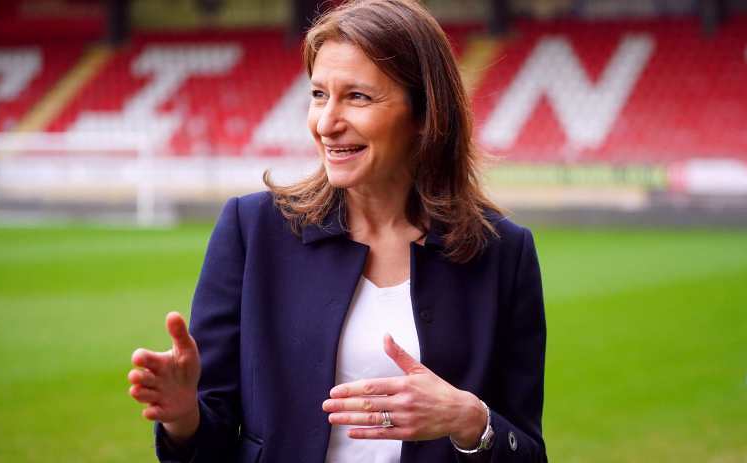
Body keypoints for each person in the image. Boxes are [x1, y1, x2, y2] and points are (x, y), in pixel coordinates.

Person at [128, 0, 547, 461]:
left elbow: (527, 451)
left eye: (358, 97)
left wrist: (471, 421)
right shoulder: (253, 231)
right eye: (318, 94)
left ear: (426, 113)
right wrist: (184, 416)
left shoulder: (503, 253)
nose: (326, 123)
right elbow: (212, 438)